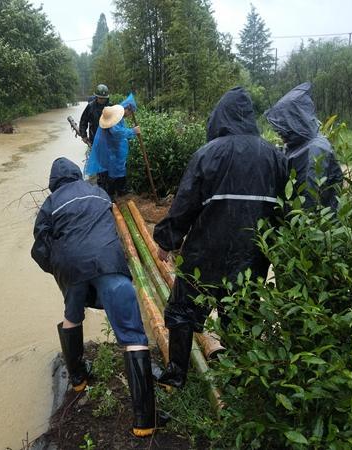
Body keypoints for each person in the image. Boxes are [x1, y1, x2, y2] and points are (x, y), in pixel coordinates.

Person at [153, 87, 288, 389]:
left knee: (183, 310)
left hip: (205, 252)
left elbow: (185, 203)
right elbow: (284, 210)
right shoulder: (274, 157)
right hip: (252, 254)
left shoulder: (208, 154)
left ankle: (175, 375)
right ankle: (239, 378)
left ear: (220, 118)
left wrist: (167, 240)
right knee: (240, 312)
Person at [31, 157, 156, 437]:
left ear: (53, 182)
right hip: (108, 261)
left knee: (72, 316)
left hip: (70, 265)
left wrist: (59, 267)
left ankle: (78, 380)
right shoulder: (99, 193)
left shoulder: (50, 204)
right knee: (132, 335)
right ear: (76, 174)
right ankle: (145, 421)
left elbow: (39, 247)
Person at [265, 82, 343, 209]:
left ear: (295, 123)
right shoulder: (299, 144)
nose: (279, 133)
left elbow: (309, 200)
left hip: (313, 224)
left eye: (283, 127)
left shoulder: (315, 149)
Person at [84, 95, 140, 199]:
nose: (130, 114)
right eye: (131, 112)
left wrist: (129, 134)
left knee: (113, 168)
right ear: (127, 108)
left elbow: (120, 131)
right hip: (106, 147)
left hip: (108, 146)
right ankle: (109, 195)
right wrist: (133, 131)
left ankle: (118, 191)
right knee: (108, 170)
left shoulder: (118, 114)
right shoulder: (113, 116)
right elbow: (117, 132)